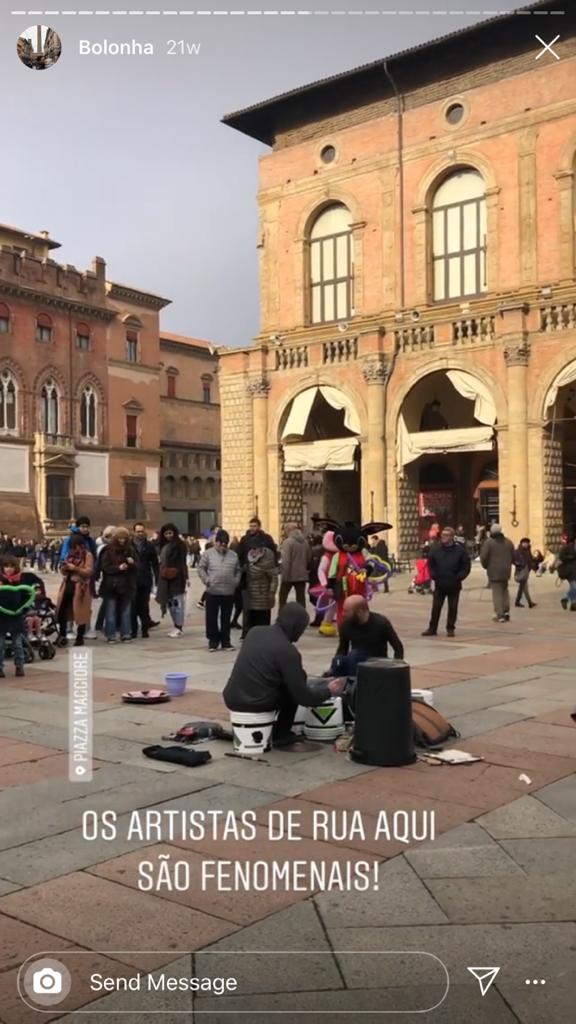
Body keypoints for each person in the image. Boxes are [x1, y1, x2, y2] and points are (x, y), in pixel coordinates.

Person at [224, 603, 346, 747]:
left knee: (283, 683)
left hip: (232, 697)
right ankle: (282, 733)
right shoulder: (288, 651)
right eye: (301, 629)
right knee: (291, 691)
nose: (300, 634)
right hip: (255, 702)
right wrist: (329, 691)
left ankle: (267, 729)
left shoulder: (255, 632)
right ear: (296, 627)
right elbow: (304, 697)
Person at [332, 595, 404, 677]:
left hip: (376, 662)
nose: (343, 614)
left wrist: (396, 668)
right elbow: (342, 649)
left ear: (360, 612)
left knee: (354, 655)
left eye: (346, 611)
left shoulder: (381, 623)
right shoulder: (346, 625)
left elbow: (398, 647)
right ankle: (338, 684)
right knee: (339, 660)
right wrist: (336, 663)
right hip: (354, 660)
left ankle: (354, 684)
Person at [422, 526, 471, 637]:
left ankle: (450, 628)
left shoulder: (460, 551)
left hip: (454, 584)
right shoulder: (436, 549)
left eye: (446, 535)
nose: (443, 537)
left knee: (453, 607)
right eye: (443, 535)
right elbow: (431, 564)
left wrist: (459, 577)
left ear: (452, 537)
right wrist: (434, 575)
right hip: (440, 584)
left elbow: (466, 566)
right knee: (436, 607)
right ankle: (432, 628)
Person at [197, 529, 240, 651]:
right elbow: (201, 568)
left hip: (228, 591)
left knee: (226, 618)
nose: (223, 546)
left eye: (225, 543)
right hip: (213, 591)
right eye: (220, 543)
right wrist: (207, 580)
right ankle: (213, 641)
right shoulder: (208, 554)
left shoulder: (233, 555)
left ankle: (226, 641)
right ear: (216, 542)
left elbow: (238, 570)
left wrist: (235, 582)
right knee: (211, 617)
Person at [99, 527, 138, 643]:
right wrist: (118, 568)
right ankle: (111, 635)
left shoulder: (130, 550)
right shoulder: (108, 550)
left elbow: (137, 567)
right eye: (120, 538)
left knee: (126, 611)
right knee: (110, 611)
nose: (122, 541)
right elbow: (104, 567)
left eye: (124, 539)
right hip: (111, 585)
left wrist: (132, 564)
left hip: (126, 585)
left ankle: (125, 634)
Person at [55, 533, 94, 647]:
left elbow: (89, 571)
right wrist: (64, 568)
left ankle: (80, 637)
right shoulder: (69, 555)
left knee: (80, 613)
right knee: (61, 611)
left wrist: (75, 568)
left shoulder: (87, 555)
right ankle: (62, 635)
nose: (75, 548)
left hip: (80, 587)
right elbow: (63, 571)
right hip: (67, 585)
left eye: (76, 545)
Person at [0, 556, 36, 678]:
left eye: (11, 566)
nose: (8, 569)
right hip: (2, 616)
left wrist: (23, 609)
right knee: (0, 644)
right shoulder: (1, 581)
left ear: (16, 567)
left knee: (17, 643)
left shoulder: (21, 581)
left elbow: (27, 597)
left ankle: (19, 666)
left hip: (16, 616)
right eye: (6, 566)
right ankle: (0, 668)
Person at [156, 523, 189, 637]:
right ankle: (176, 625)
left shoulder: (179, 545)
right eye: (166, 533)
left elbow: (182, 563)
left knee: (177, 603)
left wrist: (185, 576)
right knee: (170, 603)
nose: (168, 535)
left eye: (170, 533)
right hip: (166, 579)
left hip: (177, 578)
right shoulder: (164, 545)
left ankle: (179, 626)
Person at [480, 523, 516, 622]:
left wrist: (485, 565)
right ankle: (506, 611)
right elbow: (514, 555)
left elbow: (484, 556)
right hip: (506, 570)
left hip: (494, 570)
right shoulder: (508, 542)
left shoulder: (489, 542)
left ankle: (500, 614)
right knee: (505, 590)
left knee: (497, 592)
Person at [243, 541, 279, 636]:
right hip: (250, 596)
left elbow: (274, 577)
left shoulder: (268, 557)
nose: (254, 551)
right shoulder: (248, 557)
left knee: (263, 622)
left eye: (256, 548)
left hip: (263, 596)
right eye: (253, 549)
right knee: (251, 622)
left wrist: (272, 592)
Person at [131, 522, 159, 638]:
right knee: (133, 606)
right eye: (138, 531)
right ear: (134, 532)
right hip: (132, 580)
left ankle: (145, 629)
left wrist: (157, 578)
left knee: (144, 605)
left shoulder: (149, 546)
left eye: (142, 531)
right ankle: (133, 630)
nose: (140, 533)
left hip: (145, 579)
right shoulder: (129, 545)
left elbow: (155, 564)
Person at [279, 522, 311, 608]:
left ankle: (281, 617)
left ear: (289, 530)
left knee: (282, 598)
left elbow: (286, 560)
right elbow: (308, 558)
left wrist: (284, 577)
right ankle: (302, 618)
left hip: (289, 575)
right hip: (301, 575)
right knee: (301, 599)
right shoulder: (305, 542)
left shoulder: (288, 542)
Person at [514, 538, 537, 609]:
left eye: (527, 543)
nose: (526, 544)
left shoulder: (528, 551)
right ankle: (530, 603)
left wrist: (534, 565)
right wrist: (519, 564)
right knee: (525, 587)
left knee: (522, 587)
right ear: (521, 543)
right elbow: (514, 560)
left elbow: (530, 560)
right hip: (520, 571)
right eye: (524, 543)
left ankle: (517, 602)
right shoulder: (517, 551)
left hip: (526, 571)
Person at [557, 531, 576, 611]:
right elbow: (561, 557)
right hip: (570, 571)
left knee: (573, 588)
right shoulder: (566, 547)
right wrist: (572, 556)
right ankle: (568, 600)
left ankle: (571, 603)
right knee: (574, 587)